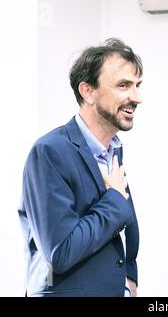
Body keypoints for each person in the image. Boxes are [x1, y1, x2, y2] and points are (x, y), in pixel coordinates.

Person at [18, 38, 142, 297]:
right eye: (123, 86)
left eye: (137, 86)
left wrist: (129, 277)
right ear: (87, 91)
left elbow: (123, 229)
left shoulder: (114, 149)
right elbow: (60, 252)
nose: (137, 98)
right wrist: (114, 198)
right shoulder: (49, 152)